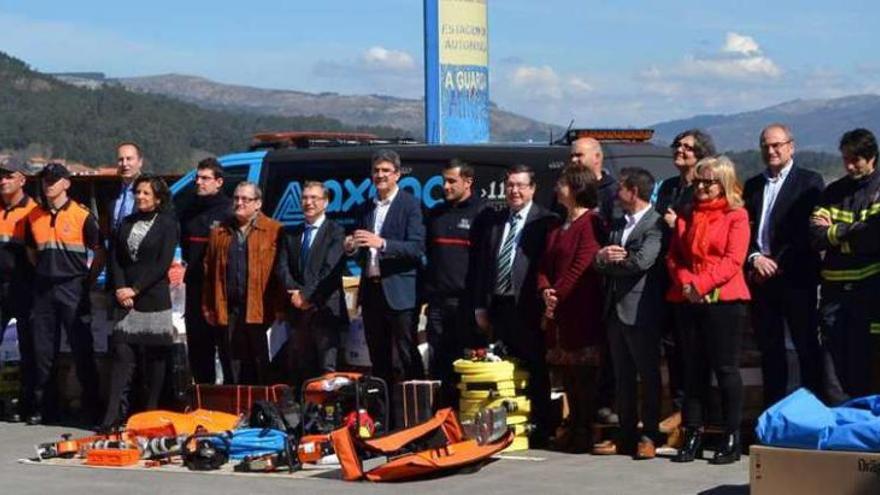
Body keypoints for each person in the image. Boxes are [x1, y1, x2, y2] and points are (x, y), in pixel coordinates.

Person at [666, 156, 750, 464]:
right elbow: (674, 256)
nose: (701, 187)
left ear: (723, 183)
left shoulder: (736, 215)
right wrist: (687, 284)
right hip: (687, 300)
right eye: (698, 181)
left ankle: (731, 436)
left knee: (725, 370)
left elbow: (733, 259)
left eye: (709, 181)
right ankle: (693, 435)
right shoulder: (687, 214)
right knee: (693, 371)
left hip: (725, 302)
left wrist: (701, 285)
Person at [474, 164, 558, 447]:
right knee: (501, 367)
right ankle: (504, 426)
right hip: (499, 305)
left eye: (521, 185)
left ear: (533, 189)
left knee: (535, 369)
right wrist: (481, 306)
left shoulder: (546, 221)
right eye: (510, 185)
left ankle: (541, 425)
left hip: (528, 307)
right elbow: (484, 267)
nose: (515, 191)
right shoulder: (497, 222)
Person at [744, 124, 825, 408]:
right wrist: (755, 258)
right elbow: (746, 231)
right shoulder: (753, 185)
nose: (771, 150)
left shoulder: (810, 182)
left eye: (777, 145)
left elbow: (806, 232)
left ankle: (814, 409)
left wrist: (777, 263)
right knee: (770, 350)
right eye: (766, 145)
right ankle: (773, 412)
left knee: (806, 347)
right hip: (761, 279)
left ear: (791, 146)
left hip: (796, 277)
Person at [593, 167, 664, 460]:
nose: (615, 194)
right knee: (622, 376)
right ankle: (625, 434)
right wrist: (602, 257)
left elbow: (642, 262)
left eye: (620, 188)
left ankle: (649, 433)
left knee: (647, 376)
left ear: (633, 191)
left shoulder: (655, 223)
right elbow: (601, 261)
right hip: (615, 310)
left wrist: (613, 262)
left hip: (641, 311)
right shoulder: (619, 223)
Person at [26, 163, 104, 425]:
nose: (48, 184)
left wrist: (87, 281)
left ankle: (92, 409)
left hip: (73, 287)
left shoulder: (81, 215)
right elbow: (31, 251)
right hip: (44, 289)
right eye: (46, 180)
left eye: (54, 180)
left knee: (82, 349)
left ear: (66, 184)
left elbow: (99, 252)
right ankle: (46, 409)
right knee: (43, 351)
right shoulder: (34, 215)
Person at [344, 150, 425, 397]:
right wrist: (351, 247)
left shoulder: (410, 205)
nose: (380, 175)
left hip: (399, 292)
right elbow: (361, 250)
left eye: (386, 171)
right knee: (377, 357)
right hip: (372, 291)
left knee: (404, 354)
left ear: (397, 175)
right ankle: (383, 413)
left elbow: (417, 248)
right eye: (376, 171)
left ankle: (415, 411)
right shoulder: (365, 207)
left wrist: (383, 244)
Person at [100, 176, 179, 429]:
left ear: (158, 198)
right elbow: (116, 259)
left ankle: (151, 416)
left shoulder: (168, 224)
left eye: (146, 193)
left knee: (155, 362)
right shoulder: (125, 222)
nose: (141, 197)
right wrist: (122, 289)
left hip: (153, 299)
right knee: (122, 356)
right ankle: (112, 417)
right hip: (126, 303)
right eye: (138, 192)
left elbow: (162, 263)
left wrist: (135, 289)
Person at [653, 129, 717, 436]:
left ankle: (694, 414)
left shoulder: (705, 188)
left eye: (688, 148)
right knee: (672, 346)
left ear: (701, 154)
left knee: (695, 349)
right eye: (678, 145)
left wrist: (675, 224)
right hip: (668, 274)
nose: (681, 150)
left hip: (696, 278)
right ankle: (679, 408)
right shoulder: (667, 186)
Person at [810, 128, 880, 405]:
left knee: (866, 354)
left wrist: (836, 233)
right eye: (846, 160)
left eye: (856, 160)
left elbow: (874, 237)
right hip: (833, 290)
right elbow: (815, 237)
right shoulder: (834, 192)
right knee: (832, 353)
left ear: (871, 156)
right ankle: (839, 415)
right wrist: (851, 233)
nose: (850, 166)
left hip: (871, 288)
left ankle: (865, 415)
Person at [535, 167, 601, 453]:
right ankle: (572, 424)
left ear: (576, 188)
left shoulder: (590, 222)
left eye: (562, 183)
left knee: (584, 376)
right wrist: (544, 290)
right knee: (567, 375)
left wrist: (557, 294)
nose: (557, 188)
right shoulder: (558, 226)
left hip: (580, 309)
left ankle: (585, 429)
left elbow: (582, 264)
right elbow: (543, 265)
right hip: (558, 313)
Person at [202, 181, 284, 385]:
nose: (239, 203)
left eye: (245, 199)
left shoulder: (274, 231)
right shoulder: (219, 232)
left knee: (263, 366)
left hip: (261, 311)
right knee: (232, 365)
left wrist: (281, 309)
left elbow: (282, 273)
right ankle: (237, 412)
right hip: (229, 310)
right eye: (236, 198)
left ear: (258, 203)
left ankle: (264, 412)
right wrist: (208, 306)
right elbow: (208, 272)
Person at [423, 159, 490, 407]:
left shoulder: (483, 214)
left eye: (452, 181)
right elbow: (427, 259)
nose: (446, 186)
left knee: (470, 366)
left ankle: (471, 419)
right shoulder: (435, 215)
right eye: (444, 180)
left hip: (467, 304)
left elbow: (485, 264)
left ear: (468, 181)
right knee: (440, 365)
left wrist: (481, 305)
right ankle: (444, 422)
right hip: (438, 305)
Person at [276, 181, 348, 387]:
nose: (309, 202)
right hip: (298, 313)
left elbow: (329, 270)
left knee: (328, 372)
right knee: (300, 370)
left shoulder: (336, 231)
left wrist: (307, 296)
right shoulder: (291, 233)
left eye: (314, 198)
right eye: (305, 198)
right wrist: (295, 293)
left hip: (325, 310)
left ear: (325, 202)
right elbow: (282, 268)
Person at [569, 136, 619, 426]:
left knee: (607, 351)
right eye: (572, 156)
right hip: (575, 287)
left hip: (604, 284)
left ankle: (605, 405)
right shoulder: (565, 192)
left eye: (579, 156)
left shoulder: (612, 193)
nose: (574, 161)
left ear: (597, 158)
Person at [178, 157, 231, 384]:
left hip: (221, 291)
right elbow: (185, 249)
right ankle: (203, 403)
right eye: (197, 178)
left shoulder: (229, 212)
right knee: (199, 351)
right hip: (195, 288)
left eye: (205, 178)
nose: (199, 182)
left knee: (227, 351)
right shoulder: (188, 210)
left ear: (218, 182)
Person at [0, 158, 38, 420]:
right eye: (1, 177)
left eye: (9, 176)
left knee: (30, 348)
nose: (3, 181)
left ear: (22, 179)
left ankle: (29, 405)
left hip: (24, 288)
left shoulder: (33, 212)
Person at [109, 142, 145, 234]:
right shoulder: (112, 191)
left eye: (129, 159)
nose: (124, 164)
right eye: (121, 160)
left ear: (140, 162)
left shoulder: (150, 190)